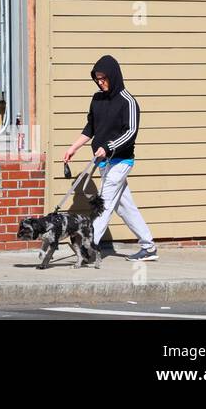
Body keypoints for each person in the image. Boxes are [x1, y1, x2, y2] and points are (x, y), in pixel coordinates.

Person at [61, 54, 157, 262]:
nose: (100, 82)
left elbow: (130, 132)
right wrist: (73, 147)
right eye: (97, 79)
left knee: (103, 201)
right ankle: (149, 247)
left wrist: (108, 146)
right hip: (104, 162)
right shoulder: (97, 99)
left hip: (121, 161)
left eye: (104, 78)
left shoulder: (128, 102)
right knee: (125, 207)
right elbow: (91, 128)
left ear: (114, 76)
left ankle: (89, 246)